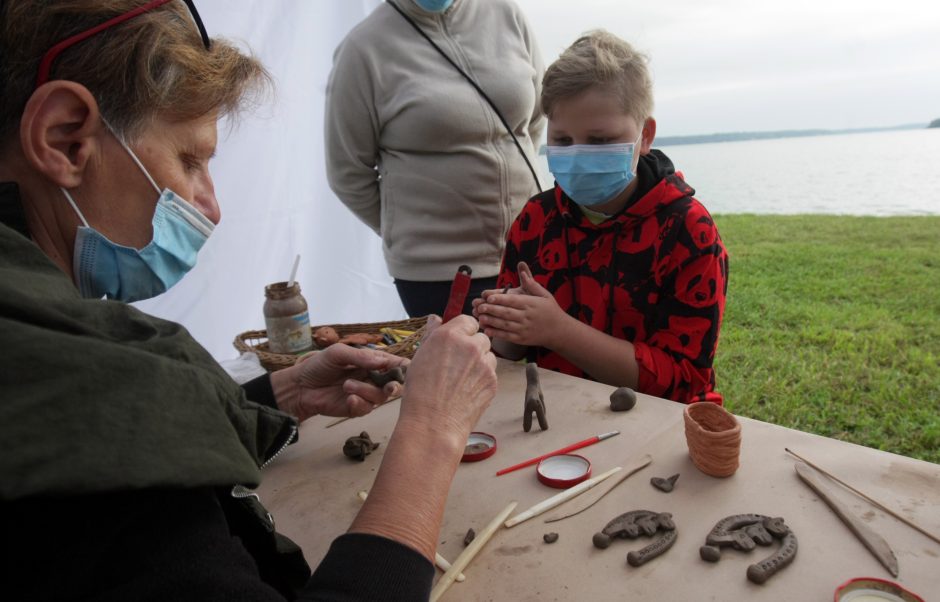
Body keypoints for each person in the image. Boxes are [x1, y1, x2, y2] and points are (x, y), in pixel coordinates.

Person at [0, 2, 496, 600]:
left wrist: (278, 395)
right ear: (65, 138)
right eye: (189, 159)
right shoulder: (77, 384)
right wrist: (432, 431)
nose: (210, 207)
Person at [474, 31, 728, 405]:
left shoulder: (689, 231)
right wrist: (508, 322)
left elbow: (684, 380)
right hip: (556, 413)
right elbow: (507, 354)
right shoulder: (535, 220)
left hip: (660, 423)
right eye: (562, 141)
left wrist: (559, 330)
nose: (578, 155)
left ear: (645, 135)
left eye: (600, 140)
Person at [325, 0, 545, 318]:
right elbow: (347, 172)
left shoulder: (506, 14)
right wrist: (409, 229)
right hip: (440, 275)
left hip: (532, 249)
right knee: (469, 367)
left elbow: (535, 119)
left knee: (549, 366)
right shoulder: (363, 48)